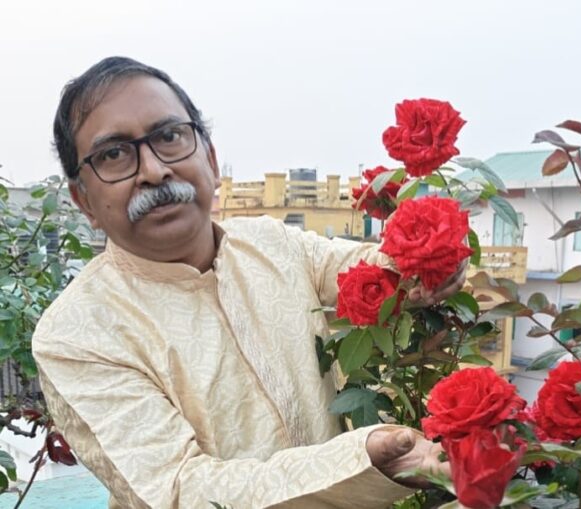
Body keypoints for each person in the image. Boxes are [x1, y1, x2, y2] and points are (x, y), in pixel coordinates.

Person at [33, 57, 464, 509]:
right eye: (114, 154)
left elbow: (370, 270)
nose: (154, 170)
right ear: (83, 200)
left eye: (169, 136)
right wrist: (365, 459)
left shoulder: (271, 242)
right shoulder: (77, 334)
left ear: (210, 159)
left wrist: (431, 257)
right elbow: (178, 489)